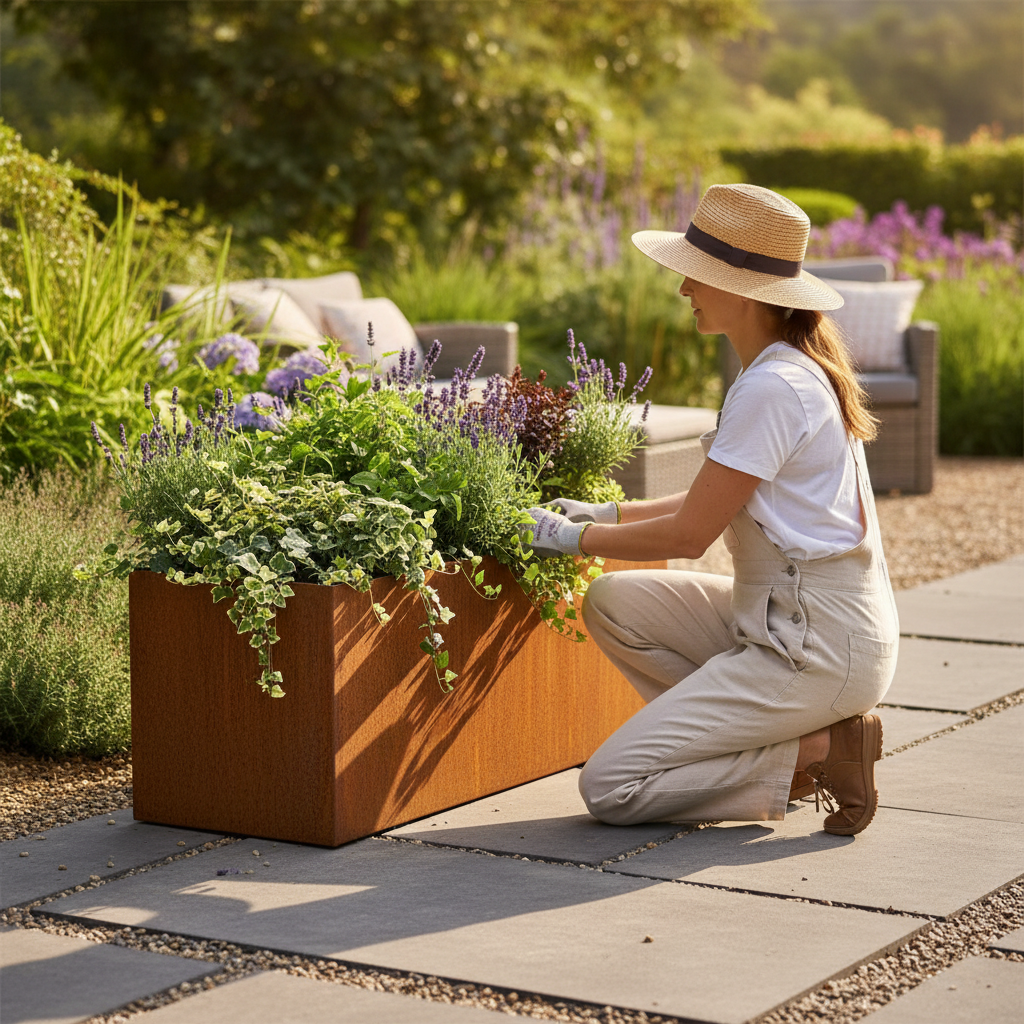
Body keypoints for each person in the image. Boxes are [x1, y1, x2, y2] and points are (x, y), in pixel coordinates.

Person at [519, 183, 898, 837]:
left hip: (815, 648)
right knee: (613, 602)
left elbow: (693, 533)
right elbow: (713, 497)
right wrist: (602, 516)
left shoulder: (774, 387)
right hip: (797, 620)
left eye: (696, 276)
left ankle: (818, 751)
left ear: (743, 289)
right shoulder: (786, 369)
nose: (683, 290)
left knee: (612, 787)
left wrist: (565, 539)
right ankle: (776, 744)